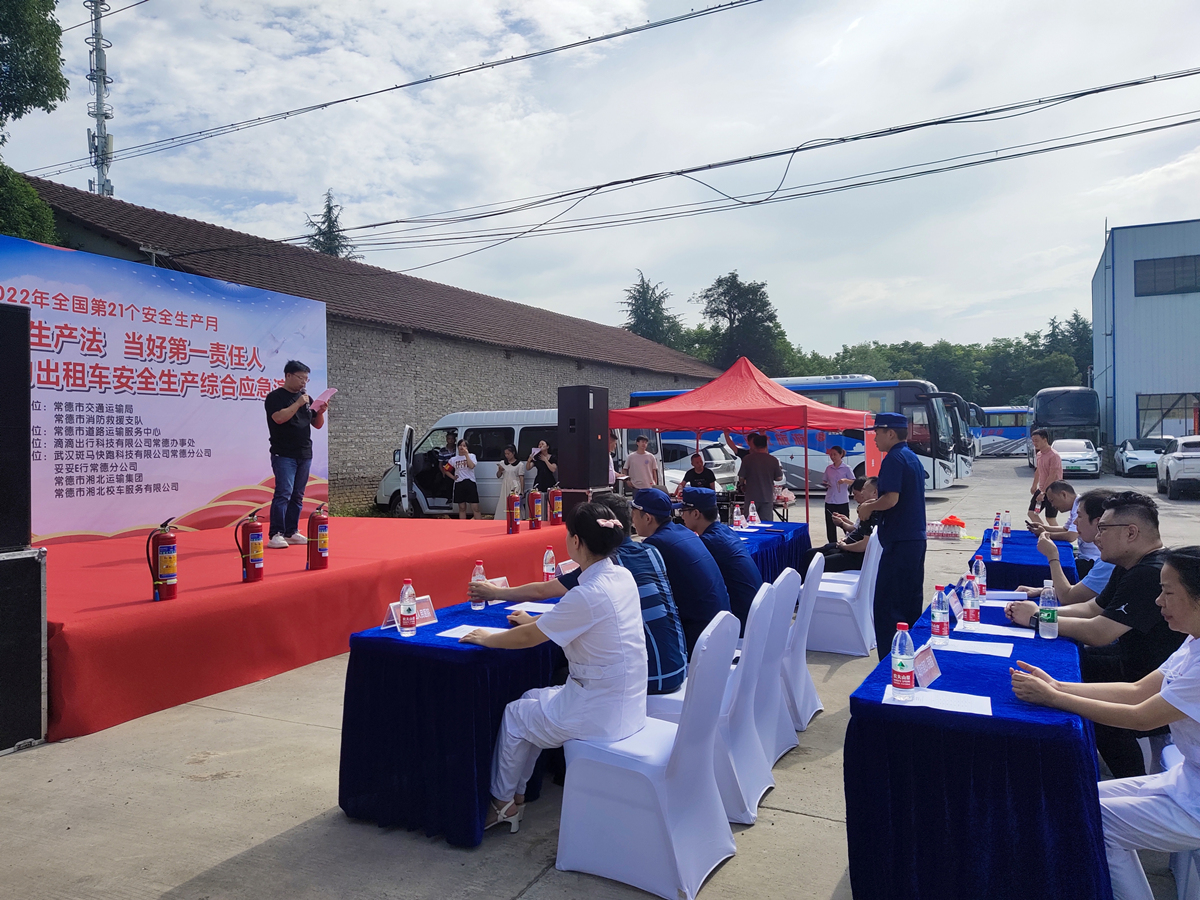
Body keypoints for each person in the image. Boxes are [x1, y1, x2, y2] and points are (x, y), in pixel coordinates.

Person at [1011, 547, 1200, 900]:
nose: (1159, 601)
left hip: (1195, 800)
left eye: (1168, 592)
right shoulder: (1193, 642)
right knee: (1071, 799)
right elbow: (1137, 690)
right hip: (1187, 779)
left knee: (1087, 817)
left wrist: (1054, 698)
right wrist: (1059, 684)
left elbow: (1140, 716)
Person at [460, 502, 647, 833]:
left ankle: (502, 803)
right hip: (625, 698)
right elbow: (575, 624)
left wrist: (486, 638)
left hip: (600, 710)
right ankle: (518, 793)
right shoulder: (620, 575)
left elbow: (528, 639)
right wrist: (532, 619)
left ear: (576, 541)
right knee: (532, 698)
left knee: (516, 716)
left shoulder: (588, 593)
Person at [1005, 491, 1182, 778]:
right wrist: (1038, 611)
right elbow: (1090, 608)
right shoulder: (1130, 565)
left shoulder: (1149, 573)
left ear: (1131, 532)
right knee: (1064, 666)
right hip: (1135, 665)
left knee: (1093, 705)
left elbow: (1099, 631)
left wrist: (1038, 618)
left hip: (1149, 680)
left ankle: (1127, 778)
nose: (1097, 537)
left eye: (1103, 528)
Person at [469, 494, 688, 696]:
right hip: (676, 662)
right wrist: (537, 619)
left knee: (530, 699)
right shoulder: (643, 557)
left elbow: (543, 595)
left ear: (578, 540)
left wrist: (496, 596)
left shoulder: (602, 573)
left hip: (645, 679)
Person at [854, 412, 926, 659]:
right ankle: (910, 655)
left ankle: (891, 662)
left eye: (877, 432)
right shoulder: (911, 457)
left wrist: (868, 506)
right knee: (909, 603)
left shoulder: (894, 458)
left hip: (900, 541)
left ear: (891, 434)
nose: (874, 438)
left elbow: (892, 499)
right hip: (914, 540)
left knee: (888, 606)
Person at [630, 488, 731, 655]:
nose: (632, 520)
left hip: (700, 639)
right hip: (722, 627)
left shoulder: (657, 544)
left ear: (647, 518)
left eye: (633, 514)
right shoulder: (682, 531)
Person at [678, 486, 763, 635]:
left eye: (683, 511)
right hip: (755, 614)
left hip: (741, 623)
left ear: (696, 513)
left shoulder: (708, 542)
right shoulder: (725, 531)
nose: (681, 517)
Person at [263, 360, 326, 549]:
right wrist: (298, 403)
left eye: (306, 379)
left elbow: (317, 424)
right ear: (288, 376)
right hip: (284, 454)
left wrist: (321, 411)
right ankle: (276, 533)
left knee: (298, 495)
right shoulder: (275, 397)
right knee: (284, 493)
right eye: (301, 378)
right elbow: (279, 418)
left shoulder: (307, 397)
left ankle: (291, 531)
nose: (304, 383)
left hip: (305, 452)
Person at [1016, 488, 1116, 605]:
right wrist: (1043, 590)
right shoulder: (1107, 558)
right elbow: (1087, 596)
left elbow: (1068, 598)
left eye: (1079, 516)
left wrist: (1052, 556)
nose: (1075, 522)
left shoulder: (1110, 562)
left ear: (1099, 522)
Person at [799, 476, 880, 576]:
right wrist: (845, 541)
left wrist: (845, 546)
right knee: (811, 554)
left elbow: (864, 545)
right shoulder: (868, 510)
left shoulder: (872, 513)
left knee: (817, 562)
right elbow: (858, 531)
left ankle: (808, 588)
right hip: (850, 549)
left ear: (875, 493)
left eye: (864, 489)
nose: (861, 493)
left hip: (855, 556)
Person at [1028, 480, 1102, 576]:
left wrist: (1044, 534)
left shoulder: (1080, 506)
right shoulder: (1076, 505)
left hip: (1090, 559)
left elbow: (1071, 536)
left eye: (1052, 501)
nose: (1052, 505)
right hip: (1084, 556)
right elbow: (1066, 529)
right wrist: (1043, 527)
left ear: (1063, 494)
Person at [737, 433, 783, 523]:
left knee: (750, 523)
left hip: (751, 498)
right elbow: (779, 478)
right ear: (766, 445)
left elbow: (741, 477)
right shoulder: (773, 460)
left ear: (754, 445)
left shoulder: (747, 459)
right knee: (766, 524)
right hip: (767, 497)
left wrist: (743, 484)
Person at [1028, 428, 1063, 526]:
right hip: (1042, 488)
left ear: (1045, 440)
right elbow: (1038, 470)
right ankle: (1043, 532)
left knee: (1050, 518)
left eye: (1037, 441)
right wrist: (1034, 485)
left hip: (1053, 490)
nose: (1035, 443)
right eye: (1033, 441)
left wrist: (1043, 493)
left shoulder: (1054, 455)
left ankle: (1058, 537)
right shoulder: (1039, 454)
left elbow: (1053, 475)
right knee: (1032, 513)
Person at [821, 445, 855, 544]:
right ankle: (832, 544)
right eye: (831, 454)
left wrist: (845, 480)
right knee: (830, 524)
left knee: (845, 522)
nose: (832, 457)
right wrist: (826, 484)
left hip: (842, 500)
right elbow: (824, 480)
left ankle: (850, 542)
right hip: (830, 499)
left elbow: (854, 481)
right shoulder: (829, 468)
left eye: (835, 454)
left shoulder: (846, 468)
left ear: (841, 455)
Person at [448, 439, 479, 520]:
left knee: (475, 507)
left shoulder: (472, 456)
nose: (462, 447)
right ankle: (462, 524)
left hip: (470, 482)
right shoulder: (453, 459)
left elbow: (471, 466)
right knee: (462, 508)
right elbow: (446, 469)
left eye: (464, 446)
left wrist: (466, 455)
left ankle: (479, 524)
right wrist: (453, 477)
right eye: (460, 445)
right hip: (459, 483)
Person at [526, 440, 557, 517]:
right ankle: (539, 516)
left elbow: (553, 469)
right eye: (539, 444)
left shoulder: (552, 457)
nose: (540, 445)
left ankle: (549, 516)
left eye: (542, 444)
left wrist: (545, 460)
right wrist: (529, 460)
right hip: (539, 479)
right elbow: (528, 468)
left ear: (547, 446)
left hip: (549, 479)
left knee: (549, 499)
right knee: (538, 498)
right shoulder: (537, 457)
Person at [495, 444, 525, 519]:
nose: (507, 455)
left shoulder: (520, 464)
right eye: (505, 454)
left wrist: (522, 490)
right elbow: (498, 476)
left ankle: (516, 518)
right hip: (505, 484)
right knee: (504, 501)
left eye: (508, 454)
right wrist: (500, 470)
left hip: (515, 485)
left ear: (513, 453)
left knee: (514, 502)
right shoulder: (502, 463)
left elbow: (521, 477)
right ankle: (503, 518)